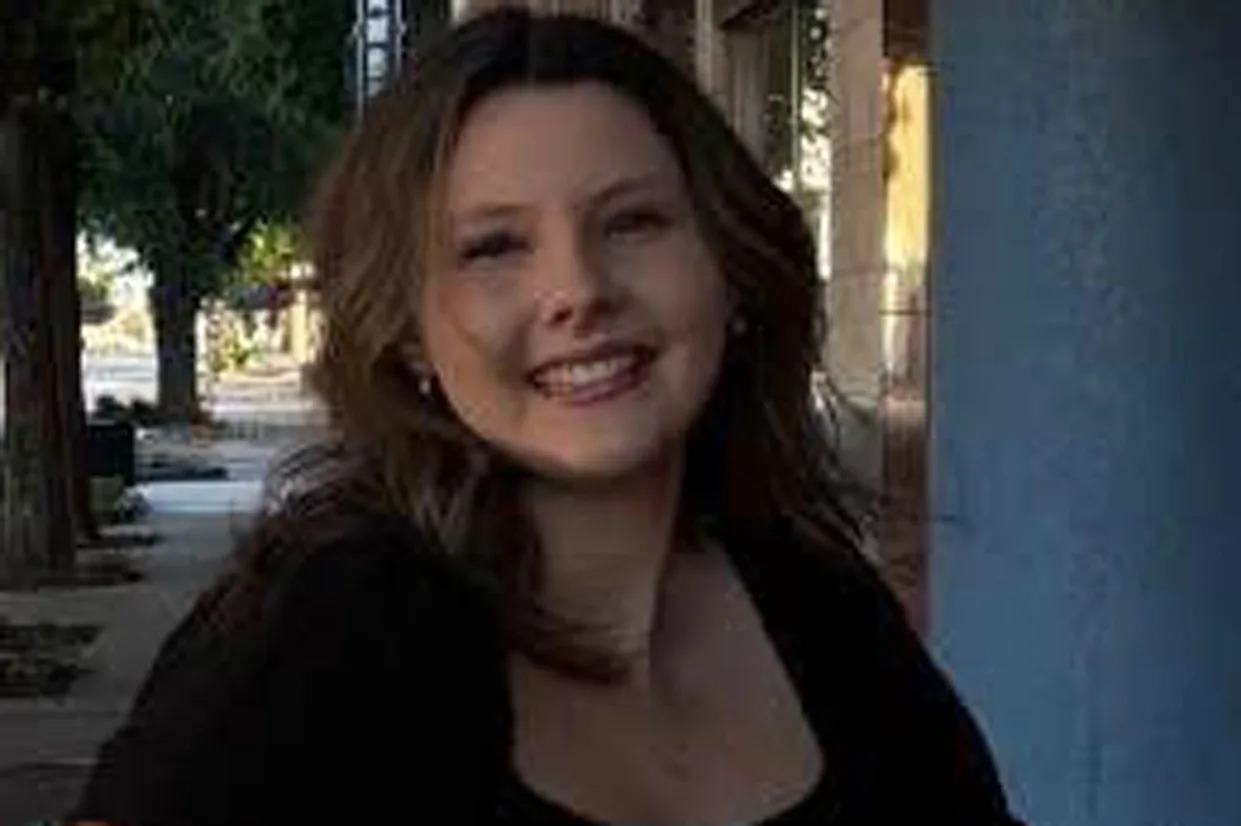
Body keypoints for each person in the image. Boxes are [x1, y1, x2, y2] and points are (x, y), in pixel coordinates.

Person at [70, 9, 1022, 825]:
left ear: (729, 269)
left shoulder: (825, 613)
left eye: (632, 223)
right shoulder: (312, 643)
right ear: (408, 333)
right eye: (494, 247)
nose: (578, 290)